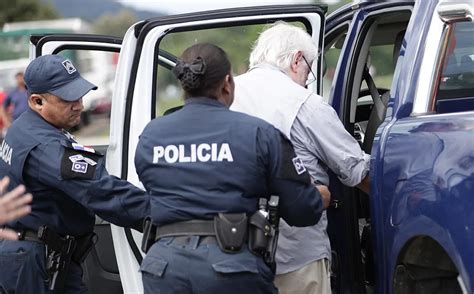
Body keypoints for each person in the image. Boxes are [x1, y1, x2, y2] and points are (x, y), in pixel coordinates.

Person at [134, 43, 331, 294]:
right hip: (231, 269)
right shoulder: (258, 134)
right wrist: (319, 196)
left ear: (185, 85)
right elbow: (303, 210)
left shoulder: (152, 136)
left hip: (162, 270)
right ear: (227, 83)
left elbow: (153, 186)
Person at [231, 22, 370, 294]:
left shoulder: (225, 94)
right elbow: (357, 171)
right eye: (308, 69)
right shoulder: (304, 103)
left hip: (234, 254)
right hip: (294, 258)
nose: (308, 80)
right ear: (296, 59)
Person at [0, 54, 150, 294]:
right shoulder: (47, 148)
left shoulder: (25, 126)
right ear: (38, 101)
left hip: (31, 253)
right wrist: (168, 214)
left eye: (79, 94)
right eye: (68, 98)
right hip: (37, 262)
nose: (79, 104)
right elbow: (103, 191)